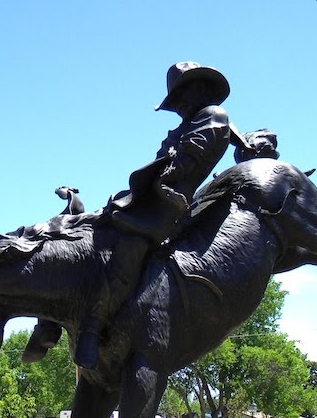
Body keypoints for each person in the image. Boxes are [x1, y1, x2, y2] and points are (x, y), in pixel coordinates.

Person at [73, 61, 244, 369]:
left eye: (179, 97)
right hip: (152, 198)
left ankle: (93, 326)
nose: (177, 105)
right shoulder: (187, 125)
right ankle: (49, 323)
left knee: (129, 245)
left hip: (169, 208)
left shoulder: (213, 117)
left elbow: (185, 165)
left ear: (199, 89)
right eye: (173, 101)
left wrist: (159, 173)